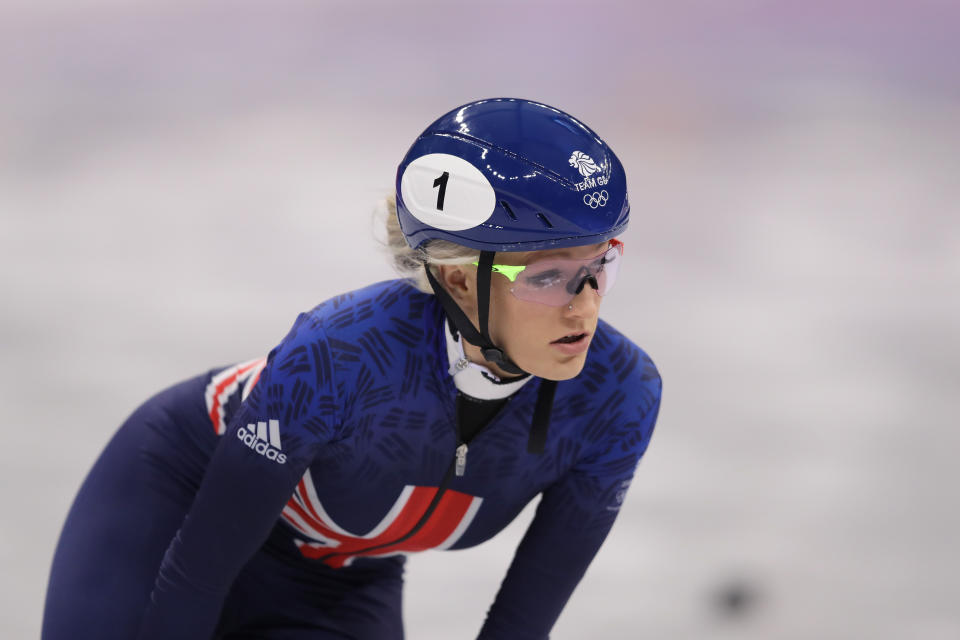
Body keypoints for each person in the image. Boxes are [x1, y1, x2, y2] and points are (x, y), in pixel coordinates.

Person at [42, 97, 662, 640]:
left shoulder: (617, 397)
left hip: (340, 570)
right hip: (176, 504)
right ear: (457, 280)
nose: (586, 304)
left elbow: (520, 627)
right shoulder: (337, 356)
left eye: (600, 266)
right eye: (547, 276)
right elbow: (196, 574)